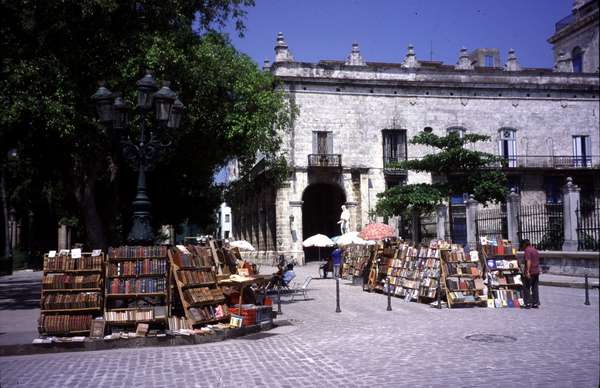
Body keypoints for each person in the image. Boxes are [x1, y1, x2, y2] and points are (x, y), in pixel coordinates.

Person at [522, 239, 540, 308]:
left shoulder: (527, 250)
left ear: (524, 244)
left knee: (526, 287)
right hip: (536, 271)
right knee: (535, 287)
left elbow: (528, 261)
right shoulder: (534, 250)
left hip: (531, 271)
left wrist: (527, 271)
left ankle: (528, 303)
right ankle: (535, 303)